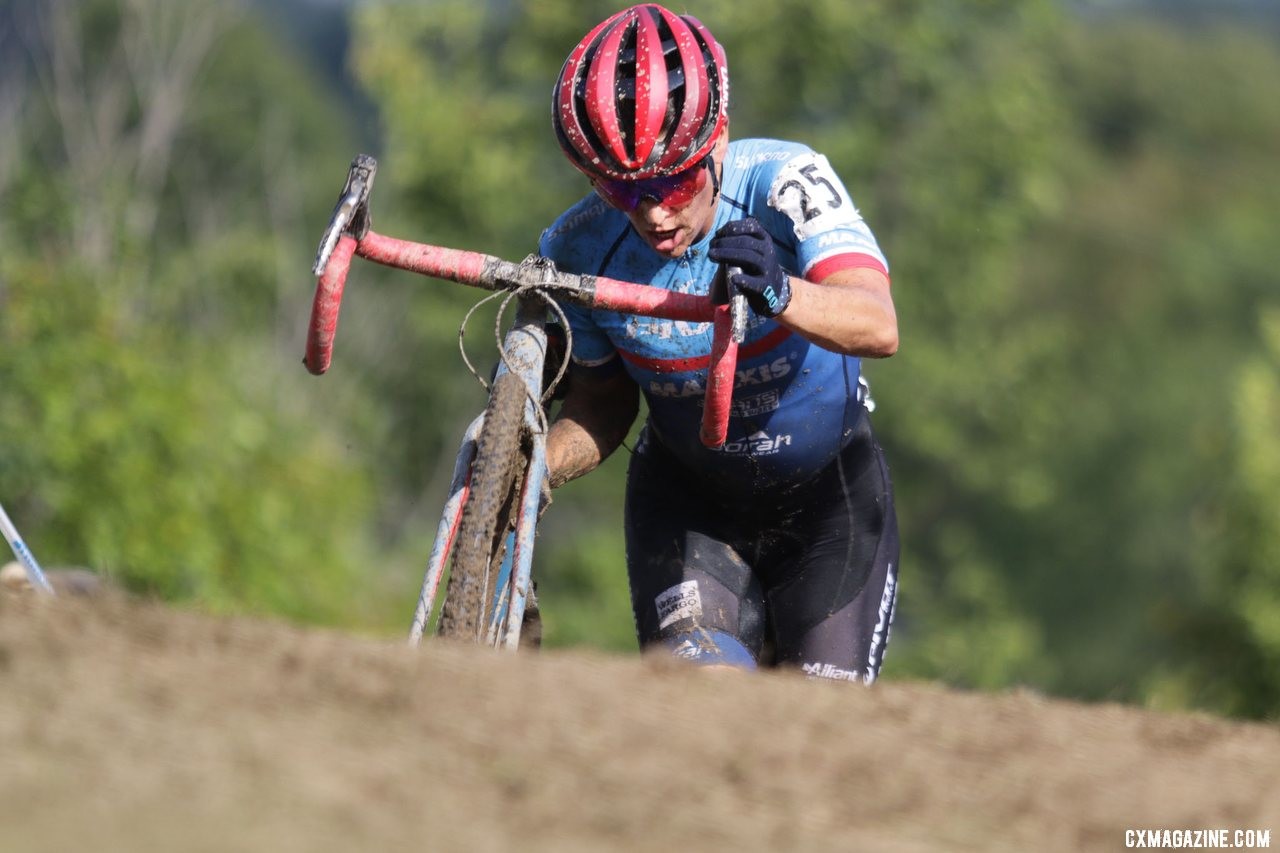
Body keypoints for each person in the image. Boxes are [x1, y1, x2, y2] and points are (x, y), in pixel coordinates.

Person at [540, 4, 900, 684]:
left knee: (816, 738)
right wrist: (532, 468)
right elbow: (602, 404)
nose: (654, 212)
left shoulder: (784, 181)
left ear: (720, 140)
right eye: (621, 188)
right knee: (705, 709)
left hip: (829, 506)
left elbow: (878, 325)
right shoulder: (574, 246)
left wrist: (783, 291)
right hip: (690, 512)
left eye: (675, 179)